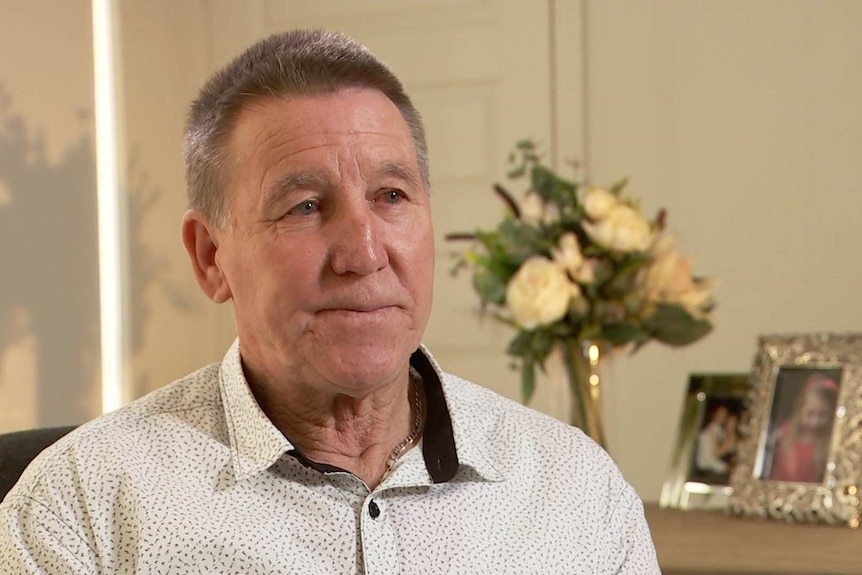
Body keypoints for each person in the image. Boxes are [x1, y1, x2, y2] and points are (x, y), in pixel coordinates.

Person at [0, 30, 660, 573]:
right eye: (306, 206)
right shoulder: (79, 507)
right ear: (210, 256)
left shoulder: (576, 491)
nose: (363, 251)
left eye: (392, 197)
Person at [767, 374, 839, 484]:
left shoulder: (829, 443)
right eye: (810, 414)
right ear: (800, 410)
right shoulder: (786, 433)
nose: (815, 422)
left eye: (822, 415)